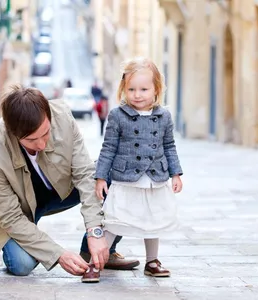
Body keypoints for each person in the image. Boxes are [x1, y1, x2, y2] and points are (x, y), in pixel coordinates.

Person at [0, 85, 139, 276]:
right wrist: (58, 254)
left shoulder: (62, 118)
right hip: (21, 208)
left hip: (62, 189)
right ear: (14, 133)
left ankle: (99, 250)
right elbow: (10, 216)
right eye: (32, 140)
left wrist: (95, 231)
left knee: (117, 175)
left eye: (46, 133)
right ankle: (22, 244)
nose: (42, 144)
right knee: (21, 265)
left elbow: (85, 176)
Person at [82, 57, 183, 283]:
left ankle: (152, 261)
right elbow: (108, 148)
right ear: (123, 89)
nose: (137, 94)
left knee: (153, 221)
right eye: (131, 89)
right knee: (115, 219)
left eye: (144, 89)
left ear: (156, 89)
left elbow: (169, 146)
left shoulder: (164, 116)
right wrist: (100, 178)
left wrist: (176, 173)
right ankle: (95, 262)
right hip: (126, 178)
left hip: (154, 177)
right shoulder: (118, 115)